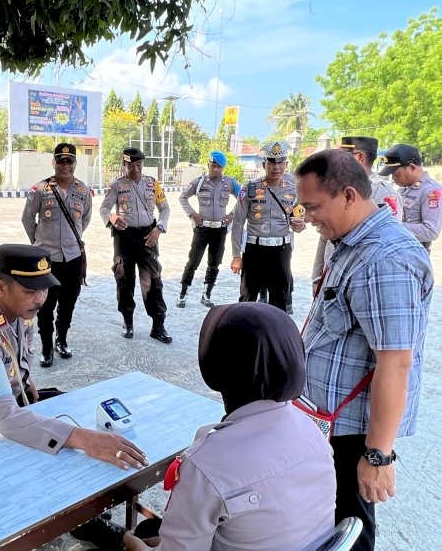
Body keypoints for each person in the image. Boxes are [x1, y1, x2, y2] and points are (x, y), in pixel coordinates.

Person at [296, 149, 433, 550]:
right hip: (330, 422)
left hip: (355, 433)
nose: (307, 218)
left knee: (349, 530)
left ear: (350, 196)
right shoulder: (351, 242)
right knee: (324, 518)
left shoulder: (384, 259)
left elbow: (396, 363)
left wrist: (377, 456)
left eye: (313, 207)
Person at [124, 302, 336, 551]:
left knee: (135, 536)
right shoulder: (312, 430)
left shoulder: (207, 464)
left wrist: (136, 547)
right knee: (153, 530)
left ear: (215, 365)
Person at [0, 244, 148, 468]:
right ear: (0, 288)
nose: (40, 299)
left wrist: (25, 382)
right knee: (66, 455)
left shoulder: (17, 308)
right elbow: (3, 416)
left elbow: (17, 355)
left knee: (75, 412)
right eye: (30, 291)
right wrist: (84, 439)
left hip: (9, 408)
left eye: (43, 289)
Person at [21, 142, 92, 367]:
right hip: (46, 260)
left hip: (72, 259)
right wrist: (38, 244)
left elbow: (85, 219)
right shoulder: (40, 189)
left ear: (74, 164)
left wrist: (73, 240)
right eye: (60, 161)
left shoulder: (83, 191)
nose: (65, 165)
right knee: (45, 305)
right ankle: (46, 347)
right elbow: (27, 218)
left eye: (69, 161)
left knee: (68, 303)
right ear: (54, 163)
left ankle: (61, 340)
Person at [99, 147, 172, 343]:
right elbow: (104, 208)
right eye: (131, 166)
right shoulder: (117, 186)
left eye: (138, 165)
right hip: (124, 238)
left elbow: (164, 209)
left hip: (148, 236)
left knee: (153, 281)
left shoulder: (152, 184)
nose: (135, 169)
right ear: (125, 165)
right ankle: (127, 321)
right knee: (124, 279)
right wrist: (113, 218)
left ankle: (158, 325)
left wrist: (159, 229)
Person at [311, 136, 403, 288]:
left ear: (360, 157)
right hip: (333, 271)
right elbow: (325, 237)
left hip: (361, 277)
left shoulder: (383, 193)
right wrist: (317, 276)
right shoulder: (336, 188)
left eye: (344, 155)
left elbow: (387, 241)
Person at [230, 141, 305, 312]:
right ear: (264, 164)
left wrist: (299, 225)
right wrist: (236, 255)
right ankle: (246, 336)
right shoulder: (249, 189)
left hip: (281, 251)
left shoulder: (295, 191)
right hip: (254, 251)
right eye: (272, 162)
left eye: (280, 162)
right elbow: (238, 222)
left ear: (286, 164)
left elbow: (299, 221)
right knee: (247, 298)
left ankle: (273, 337)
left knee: (279, 300)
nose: (276, 167)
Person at [176, 150, 240, 309]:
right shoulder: (199, 182)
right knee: (193, 261)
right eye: (213, 166)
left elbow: (243, 198)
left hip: (220, 229)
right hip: (202, 228)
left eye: (219, 167)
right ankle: (183, 294)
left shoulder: (230, 183)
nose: (216, 169)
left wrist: (232, 214)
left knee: (214, 262)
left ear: (223, 168)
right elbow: (183, 197)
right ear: (208, 165)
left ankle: (206, 293)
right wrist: (192, 213)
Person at [379, 143, 442, 252]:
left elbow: (431, 231)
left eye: (396, 173)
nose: (393, 177)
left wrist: (393, 226)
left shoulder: (431, 191)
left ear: (412, 167)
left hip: (415, 253)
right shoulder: (403, 188)